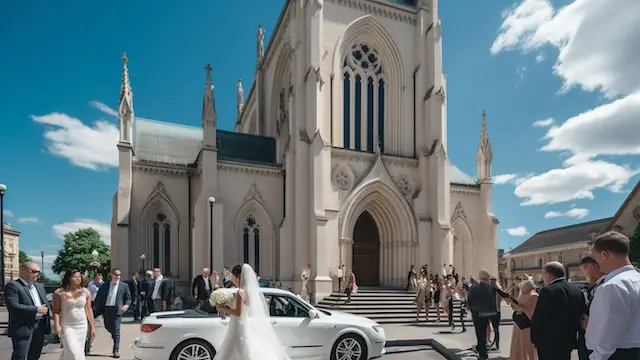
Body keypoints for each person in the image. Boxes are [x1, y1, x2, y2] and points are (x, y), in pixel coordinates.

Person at [215, 264, 291, 360]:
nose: (232, 279)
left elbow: (238, 312)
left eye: (233, 276)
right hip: (242, 323)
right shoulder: (248, 292)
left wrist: (223, 308)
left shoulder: (240, 292)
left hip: (237, 325)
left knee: (235, 350)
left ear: (239, 277)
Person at [586, 231, 640, 360]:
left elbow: (611, 331)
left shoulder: (613, 285)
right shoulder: (636, 279)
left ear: (605, 254)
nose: (596, 263)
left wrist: (596, 357)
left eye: (596, 258)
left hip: (615, 354)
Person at [530, 261, 584, 360]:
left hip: (549, 341)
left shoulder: (548, 290)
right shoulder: (576, 290)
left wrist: (534, 337)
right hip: (568, 339)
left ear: (549, 275)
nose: (542, 278)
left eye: (543, 274)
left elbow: (539, 316)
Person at [6, 261, 51, 360]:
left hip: (40, 326)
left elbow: (46, 303)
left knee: (35, 355)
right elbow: (13, 306)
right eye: (34, 271)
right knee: (20, 356)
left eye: (38, 272)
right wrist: (36, 309)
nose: (37, 275)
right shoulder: (14, 285)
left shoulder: (39, 286)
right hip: (23, 327)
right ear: (22, 270)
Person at [52, 270, 96, 360]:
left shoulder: (85, 292)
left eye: (79, 277)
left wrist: (92, 327)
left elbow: (89, 309)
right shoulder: (59, 293)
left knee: (77, 351)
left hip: (82, 326)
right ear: (69, 278)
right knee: (73, 351)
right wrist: (57, 325)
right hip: (67, 326)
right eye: (75, 277)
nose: (78, 279)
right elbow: (55, 310)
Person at [93, 268, 132, 358]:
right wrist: (95, 308)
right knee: (108, 326)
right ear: (112, 275)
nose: (117, 276)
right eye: (116, 274)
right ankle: (114, 336)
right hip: (107, 309)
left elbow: (128, 298)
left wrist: (126, 305)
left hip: (117, 310)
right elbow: (99, 297)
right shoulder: (105, 285)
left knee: (116, 329)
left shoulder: (124, 286)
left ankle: (116, 350)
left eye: (119, 275)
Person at [577, 256, 605, 360]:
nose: (583, 274)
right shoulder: (593, 287)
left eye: (583, 269)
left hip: (599, 344)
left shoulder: (606, 286)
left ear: (591, 267)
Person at [467, 270, 499, 360]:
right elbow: (493, 301)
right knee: (484, 332)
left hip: (477, 314)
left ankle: (482, 354)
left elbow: (470, 300)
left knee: (480, 334)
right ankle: (484, 352)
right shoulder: (491, 288)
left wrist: (471, 308)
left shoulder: (474, 288)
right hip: (488, 313)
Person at [506, 279, 538, 360]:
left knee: (527, 346)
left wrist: (519, 307)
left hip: (526, 324)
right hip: (518, 322)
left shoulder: (534, 295)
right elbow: (517, 307)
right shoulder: (522, 294)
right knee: (518, 344)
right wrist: (512, 302)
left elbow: (531, 312)